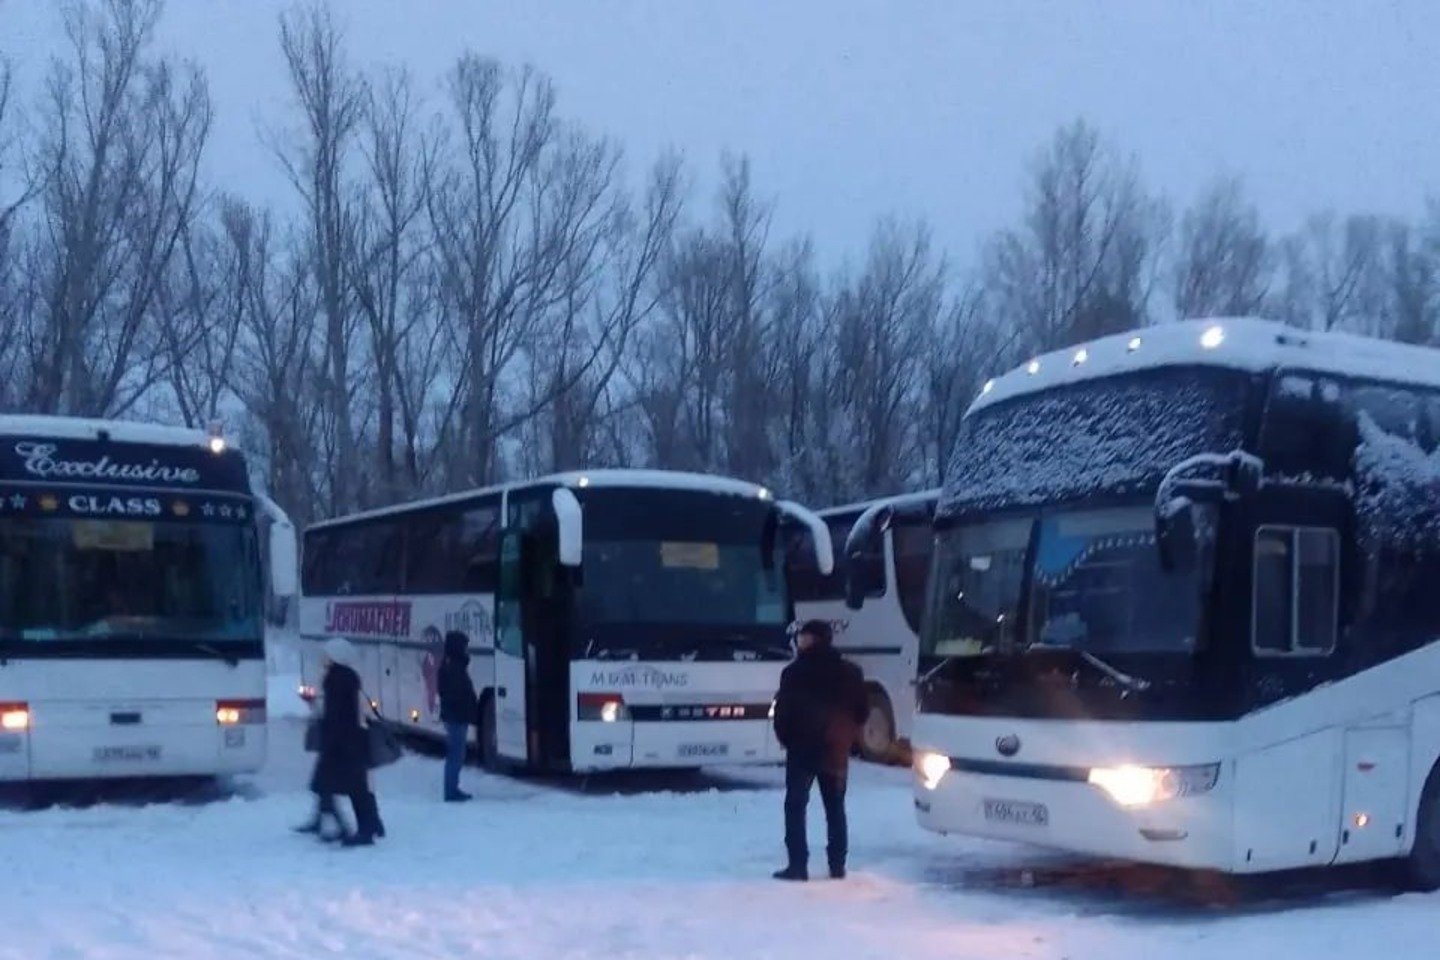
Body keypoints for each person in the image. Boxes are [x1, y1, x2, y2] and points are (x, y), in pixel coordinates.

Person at [771, 619, 869, 881]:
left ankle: (798, 865)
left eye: (803, 637)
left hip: (802, 748)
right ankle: (837, 865)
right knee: (835, 807)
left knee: (796, 805)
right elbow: (862, 711)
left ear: (812, 640)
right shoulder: (851, 672)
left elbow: (783, 713)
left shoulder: (794, 673)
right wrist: (846, 736)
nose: (799, 641)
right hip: (836, 748)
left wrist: (786, 738)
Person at [297, 638, 385, 846]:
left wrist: (331, 740)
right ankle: (366, 825)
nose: (324, 659)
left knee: (349, 787)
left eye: (327, 655)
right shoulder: (348, 677)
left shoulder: (335, 679)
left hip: (342, 742)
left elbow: (335, 714)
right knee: (351, 786)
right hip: (351, 740)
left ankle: (361, 829)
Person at [437, 629, 478, 802]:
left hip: (454, 715)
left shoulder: (451, 665)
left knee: (456, 754)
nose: (466, 649)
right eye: (464, 646)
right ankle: (451, 791)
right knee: (456, 754)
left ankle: (452, 789)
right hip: (456, 716)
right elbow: (457, 693)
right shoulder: (454, 667)